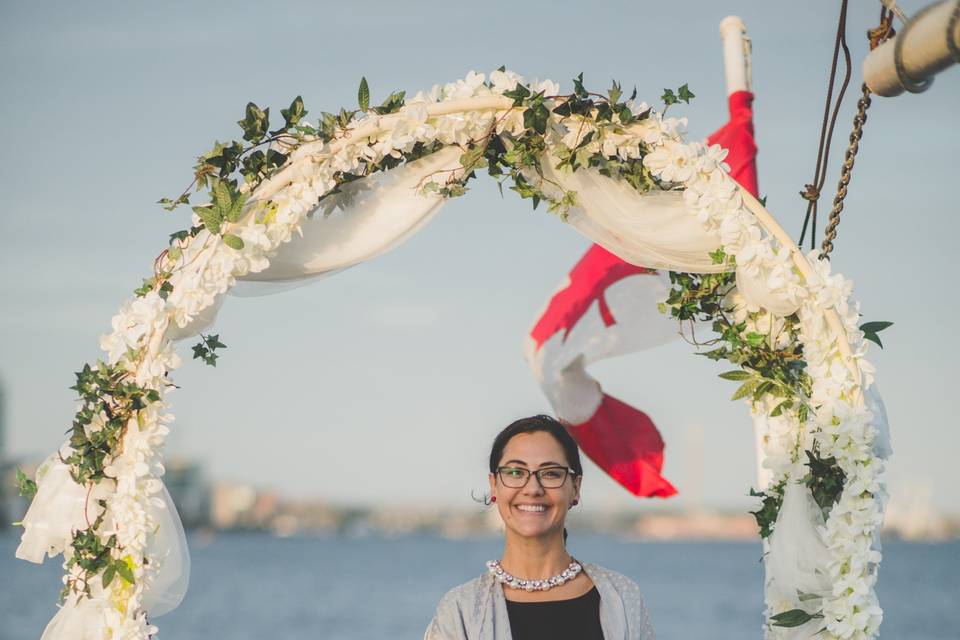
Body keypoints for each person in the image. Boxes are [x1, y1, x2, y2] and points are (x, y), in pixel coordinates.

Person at [424, 415, 656, 640]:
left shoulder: (622, 598)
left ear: (575, 488)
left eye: (551, 473)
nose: (532, 488)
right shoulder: (460, 610)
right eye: (515, 472)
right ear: (494, 486)